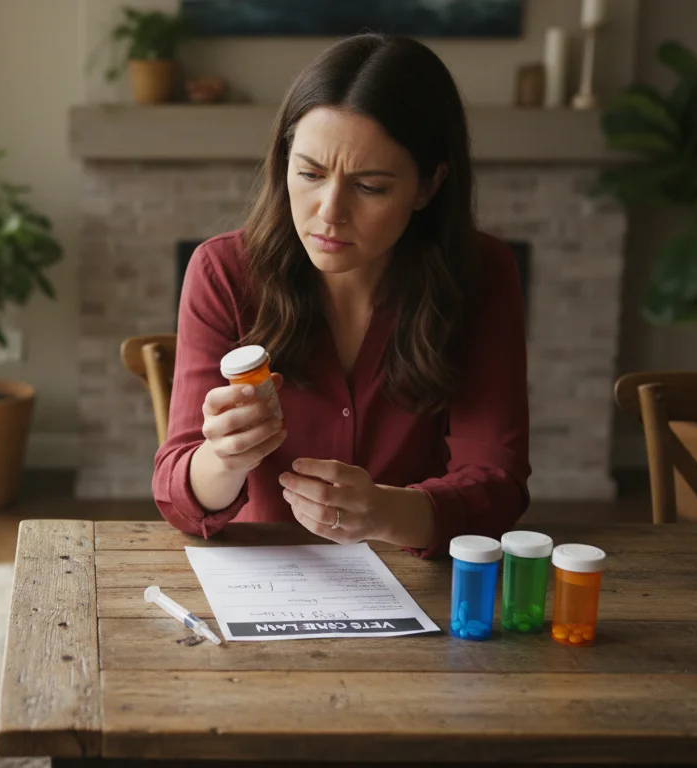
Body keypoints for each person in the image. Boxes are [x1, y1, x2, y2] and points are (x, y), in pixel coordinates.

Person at [153, 34, 530, 559]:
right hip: (267, 580)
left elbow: (498, 482)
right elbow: (177, 497)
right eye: (309, 174)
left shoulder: (481, 273)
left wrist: (384, 513)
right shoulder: (223, 272)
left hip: (421, 588)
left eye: (371, 187)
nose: (329, 211)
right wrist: (225, 457)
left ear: (427, 186)